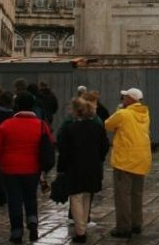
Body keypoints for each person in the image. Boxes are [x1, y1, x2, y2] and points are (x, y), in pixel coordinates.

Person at [0, 91, 55, 243]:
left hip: (10, 168)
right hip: (32, 168)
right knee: (30, 197)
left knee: (14, 200)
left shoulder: (6, 125)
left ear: (16, 106)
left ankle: (16, 232)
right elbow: (49, 144)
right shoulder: (41, 125)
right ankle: (32, 222)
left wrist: (2, 160)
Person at [58, 97, 110, 243]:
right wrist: (98, 158)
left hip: (75, 167)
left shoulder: (70, 129)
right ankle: (84, 226)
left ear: (77, 112)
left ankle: (80, 231)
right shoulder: (98, 128)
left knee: (76, 198)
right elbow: (104, 146)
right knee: (87, 196)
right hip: (93, 167)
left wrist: (62, 167)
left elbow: (64, 150)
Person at [104, 87, 152, 238]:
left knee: (122, 195)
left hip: (124, 160)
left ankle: (124, 227)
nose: (122, 99)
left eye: (125, 97)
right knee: (136, 193)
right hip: (142, 158)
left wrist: (118, 111)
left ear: (131, 99)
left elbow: (108, 125)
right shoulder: (145, 113)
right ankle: (136, 223)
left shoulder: (123, 113)